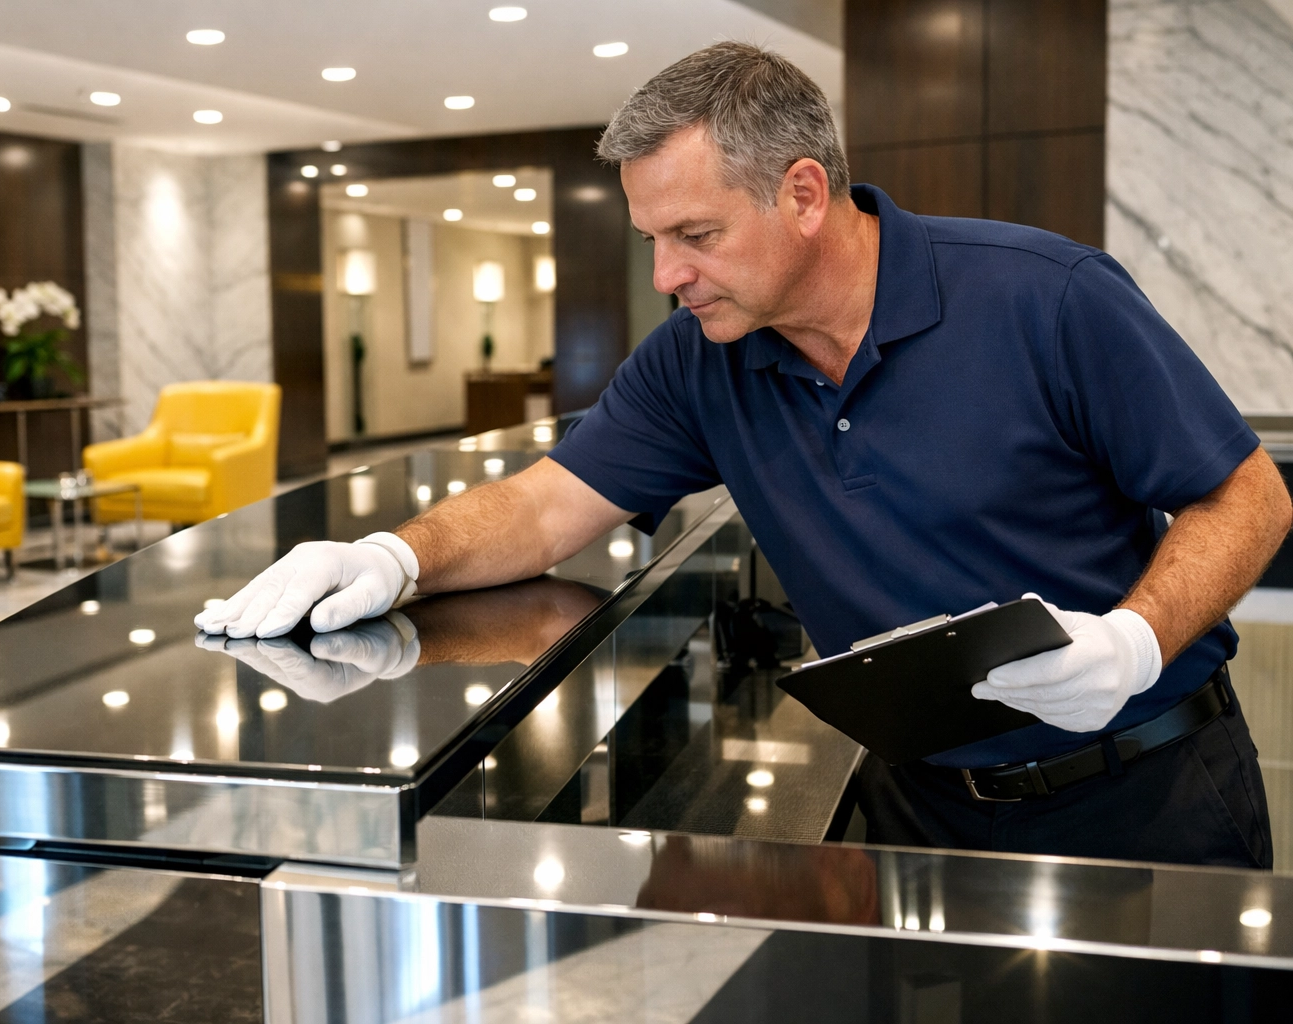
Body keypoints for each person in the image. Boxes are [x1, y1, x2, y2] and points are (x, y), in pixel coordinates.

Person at [199, 43, 1289, 868]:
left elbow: (1248, 492)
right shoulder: (697, 362)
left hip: (1148, 787)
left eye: (698, 236)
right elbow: (542, 511)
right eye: (652, 242)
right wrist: (394, 556)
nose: (668, 274)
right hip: (916, 806)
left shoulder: (1047, 296)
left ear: (804, 194)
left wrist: (1136, 642)